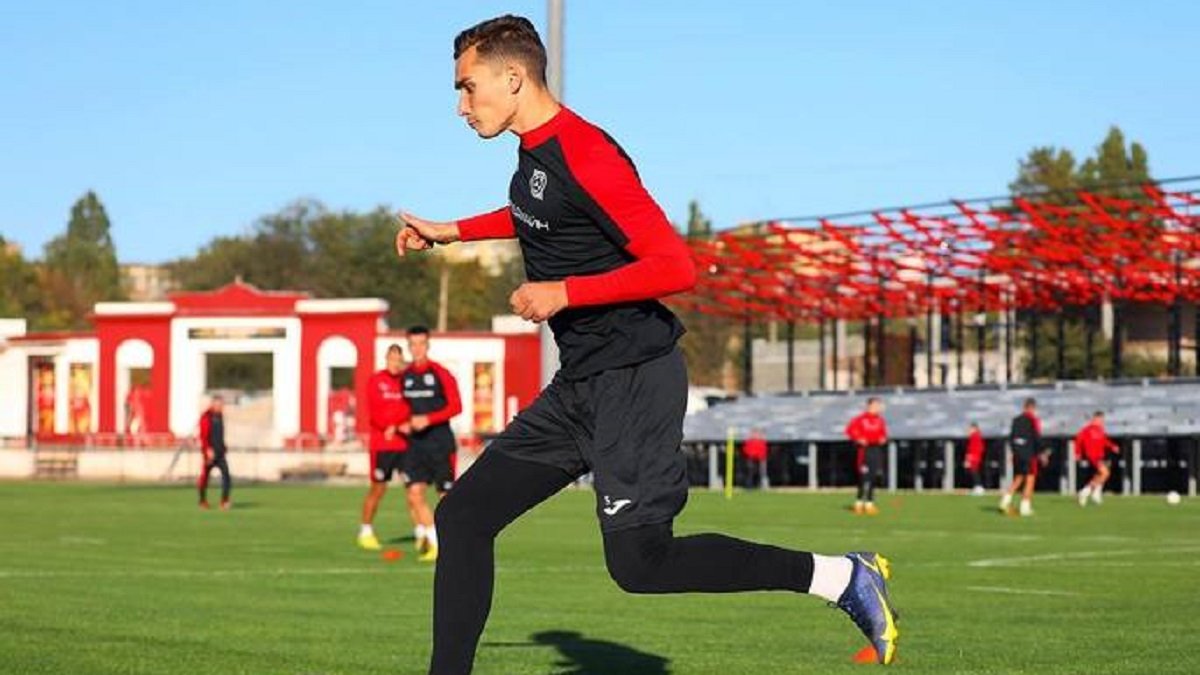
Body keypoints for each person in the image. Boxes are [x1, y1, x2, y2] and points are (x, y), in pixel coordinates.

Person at [395, 16, 899, 671]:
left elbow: (675, 266)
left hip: (634, 376)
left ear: (513, 77)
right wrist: (452, 231)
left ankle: (842, 577)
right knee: (464, 516)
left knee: (641, 562)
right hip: (580, 385)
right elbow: (537, 214)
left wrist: (564, 292)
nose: (461, 107)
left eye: (468, 87)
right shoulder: (536, 155)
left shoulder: (586, 151)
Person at [401, 326, 464, 563]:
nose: (417, 348)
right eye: (413, 344)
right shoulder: (405, 376)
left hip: (440, 443)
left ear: (427, 345)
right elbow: (400, 408)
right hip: (415, 444)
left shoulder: (441, 373)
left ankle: (458, 540)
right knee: (414, 493)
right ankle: (433, 542)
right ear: (409, 346)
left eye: (421, 344)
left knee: (446, 498)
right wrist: (401, 423)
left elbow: (456, 406)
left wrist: (428, 419)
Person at [357, 344, 412, 551]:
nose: (395, 364)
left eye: (398, 360)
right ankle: (365, 531)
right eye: (392, 359)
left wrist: (400, 425)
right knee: (378, 489)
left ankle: (422, 533)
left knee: (413, 489)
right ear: (386, 359)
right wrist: (391, 426)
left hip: (405, 444)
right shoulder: (376, 380)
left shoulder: (407, 381)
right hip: (382, 445)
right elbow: (374, 412)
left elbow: (410, 407)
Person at [1000, 398, 1045, 517]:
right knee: (1030, 479)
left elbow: (1011, 438)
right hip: (1029, 454)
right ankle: (1025, 507)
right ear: (1032, 408)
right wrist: (1042, 452)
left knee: (1019, 478)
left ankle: (1005, 500)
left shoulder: (1016, 420)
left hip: (1018, 454)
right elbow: (1036, 438)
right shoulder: (1033, 420)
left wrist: (1014, 452)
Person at [845, 398, 888, 515]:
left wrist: (883, 439)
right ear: (869, 406)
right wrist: (858, 439)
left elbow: (883, 434)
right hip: (864, 451)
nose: (877, 408)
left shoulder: (880, 420)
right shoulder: (859, 419)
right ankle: (859, 503)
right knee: (864, 478)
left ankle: (869, 503)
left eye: (878, 406)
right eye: (875, 406)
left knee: (874, 477)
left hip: (876, 450)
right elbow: (850, 431)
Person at [1074, 411, 1120, 506]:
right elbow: (1078, 441)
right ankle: (1085, 492)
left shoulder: (1100, 430)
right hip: (1092, 456)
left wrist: (1112, 446)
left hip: (1100, 456)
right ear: (1095, 419)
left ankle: (1092, 494)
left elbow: (1105, 441)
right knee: (1105, 473)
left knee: (1098, 476)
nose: (1102, 422)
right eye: (1100, 420)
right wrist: (1077, 453)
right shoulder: (1087, 430)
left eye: (1102, 420)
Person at [197, 396, 231, 510]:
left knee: (226, 476)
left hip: (220, 453)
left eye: (222, 405)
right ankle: (202, 501)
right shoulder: (206, 417)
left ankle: (224, 501)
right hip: (210, 453)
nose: (222, 407)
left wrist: (223, 446)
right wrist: (207, 449)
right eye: (220, 405)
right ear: (213, 405)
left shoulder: (220, 416)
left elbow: (219, 434)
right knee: (205, 477)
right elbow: (203, 436)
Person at [965, 422, 986, 495]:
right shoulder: (976, 436)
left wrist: (970, 457)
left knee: (974, 472)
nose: (969, 430)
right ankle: (977, 487)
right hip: (975, 456)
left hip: (974, 457)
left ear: (974, 428)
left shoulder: (975, 436)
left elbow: (975, 448)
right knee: (974, 472)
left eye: (970, 428)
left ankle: (978, 487)